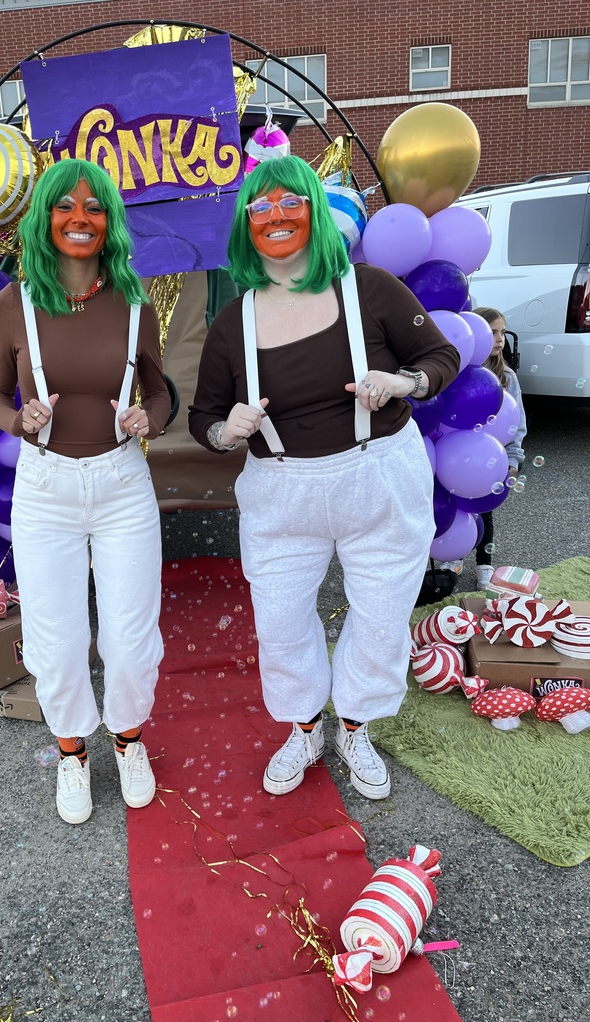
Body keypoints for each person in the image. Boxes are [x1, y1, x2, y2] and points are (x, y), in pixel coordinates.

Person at [189, 155, 460, 800]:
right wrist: (226, 432)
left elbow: (440, 355)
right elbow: (202, 416)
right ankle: (305, 725)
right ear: (245, 227)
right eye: (261, 208)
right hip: (281, 492)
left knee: (381, 611)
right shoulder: (235, 323)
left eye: (290, 204)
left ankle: (356, 724)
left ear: (315, 212)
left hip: (379, 477)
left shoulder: (370, 288)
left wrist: (404, 382)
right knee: (280, 617)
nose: (277, 217)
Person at [0, 158, 171, 825]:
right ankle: (72, 752)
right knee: (55, 638)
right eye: (66, 206)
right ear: (45, 218)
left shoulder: (132, 297)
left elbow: (161, 388)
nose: (80, 219)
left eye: (94, 208)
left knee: (128, 634)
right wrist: (18, 421)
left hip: (122, 483)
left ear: (109, 221)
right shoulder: (16, 302)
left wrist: (153, 418)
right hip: (45, 488)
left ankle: (127, 740)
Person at [472, 306, 527, 590]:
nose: (499, 338)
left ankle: (484, 565)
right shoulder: (462, 374)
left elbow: (517, 421)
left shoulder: (507, 377)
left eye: (503, 332)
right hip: (462, 458)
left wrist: (514, 457)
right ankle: (450, 557)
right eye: (492, 332)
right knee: (457, 508)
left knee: (485, 511)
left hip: (493, 458)